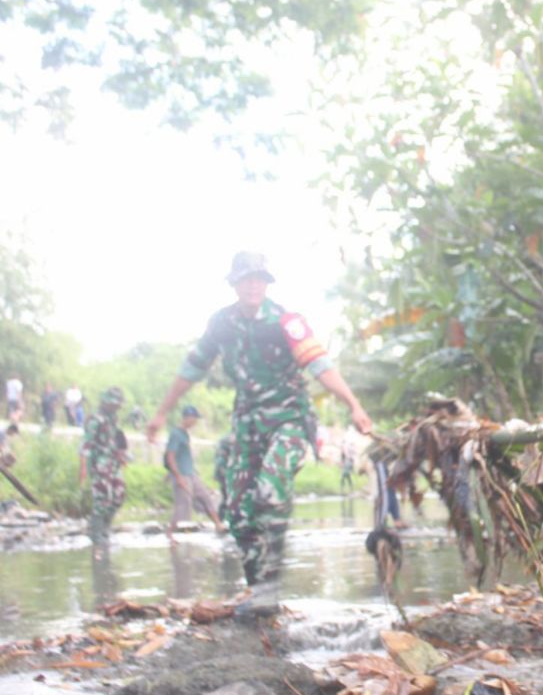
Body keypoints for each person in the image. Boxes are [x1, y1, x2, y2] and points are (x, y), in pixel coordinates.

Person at [147, 251, 374, 593]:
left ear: (267, 284)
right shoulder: (221, 324)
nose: (253, 286)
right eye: (246, 279)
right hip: (246, 426)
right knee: (237, 513)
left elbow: (319, 365)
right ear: (235, 283)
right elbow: (191, 368)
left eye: (259, 279)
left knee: (269, 492)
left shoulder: (285, 322)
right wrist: (162, 412)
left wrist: (354, 405)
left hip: (290, 422)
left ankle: (270, 584)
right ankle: (259, 590)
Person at [163, 404, 223, 544]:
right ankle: (170, 533)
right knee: (183, 505)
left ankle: (218, 525)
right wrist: (177, 476)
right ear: (188, 418)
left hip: (191, 474)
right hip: (183, 475)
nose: (195, 422)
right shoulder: (176, 434)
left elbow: (181, 457)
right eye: (194, 419)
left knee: (206, 497)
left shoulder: (185, 434)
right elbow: (170, 455)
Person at [79, 387, 127, 547]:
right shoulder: (95, 419)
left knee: (119, 496)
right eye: (113, 404)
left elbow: (115, 440)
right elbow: (86, 445)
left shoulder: (113, 419)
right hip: (99, 465)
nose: (115, 407)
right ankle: (96, 532)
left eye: (117, 405)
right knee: (102, 499)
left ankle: (105, 528)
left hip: (114, 463)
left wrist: (121, 455)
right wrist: (83, 468)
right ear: (104, 402)